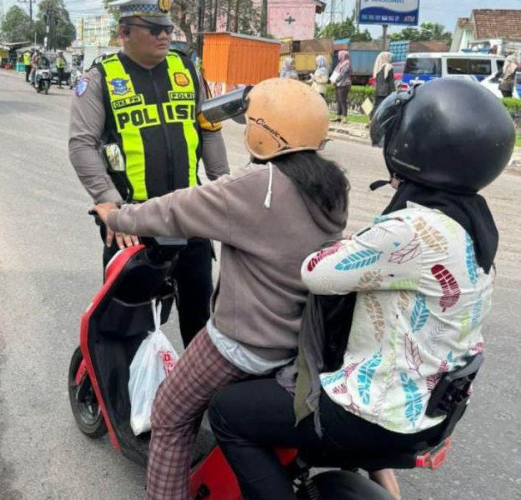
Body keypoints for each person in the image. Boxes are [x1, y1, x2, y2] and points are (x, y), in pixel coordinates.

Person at [208, 77, 516, 500]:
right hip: (427, 412)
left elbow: (317, 270)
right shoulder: (473, 224)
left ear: (416, 147)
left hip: (371, 414)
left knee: (228, 413)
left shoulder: (410, 229)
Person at [95, 78, 350, 500]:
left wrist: (117, 216)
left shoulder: (259, 187)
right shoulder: (330, 185)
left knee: (171, 414)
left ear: (263, 131)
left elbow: (175, 209)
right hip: (299, 344)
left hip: (243, 344)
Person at [68, 0, 229, 348]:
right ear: (124, 33)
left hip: (190, 215)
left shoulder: (186, 68)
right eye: (154, 29)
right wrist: (109, 204)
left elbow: (210, 130)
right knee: (126, 327)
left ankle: (194, 399)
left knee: (201, 325)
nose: (165, 35)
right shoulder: (100, 78)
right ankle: (123, 399)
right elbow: (82, 145)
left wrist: (225, 187)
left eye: (168, 28)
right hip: (133, 220)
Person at [330, 50, 351, 122]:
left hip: (344, 84)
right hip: (338, 84)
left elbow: (342, 74)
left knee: (343, 100)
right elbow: (335, 72)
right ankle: (338, 116)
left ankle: (344, 117)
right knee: (338, 100)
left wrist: (335, 80)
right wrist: (332, 80)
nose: (339, 56)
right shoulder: (340, 64)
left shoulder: (347, 64)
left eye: (340, 55)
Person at [372, 51, 395, 116]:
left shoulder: (378, 68)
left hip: (378, 91)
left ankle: (371, 121)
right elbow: (391, 81)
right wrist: (394, 92)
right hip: (387, 91)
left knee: (376, 107)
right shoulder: (389, 67)